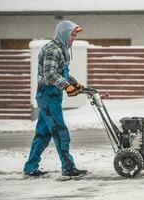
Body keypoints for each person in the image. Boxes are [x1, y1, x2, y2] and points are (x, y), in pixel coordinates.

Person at [23, 20, 87, 180]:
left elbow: (62, 72)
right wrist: (66, 86)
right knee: (60, 132)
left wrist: (74, 83)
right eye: (72, 34)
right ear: (64, 34)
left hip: (52, 96)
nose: (73, 38)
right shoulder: (52, 50)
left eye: (74, 35)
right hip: (48, 95)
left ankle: (30, 168)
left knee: (43, 135)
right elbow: (50, 74)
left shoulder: (61, 49)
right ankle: (69, 168)